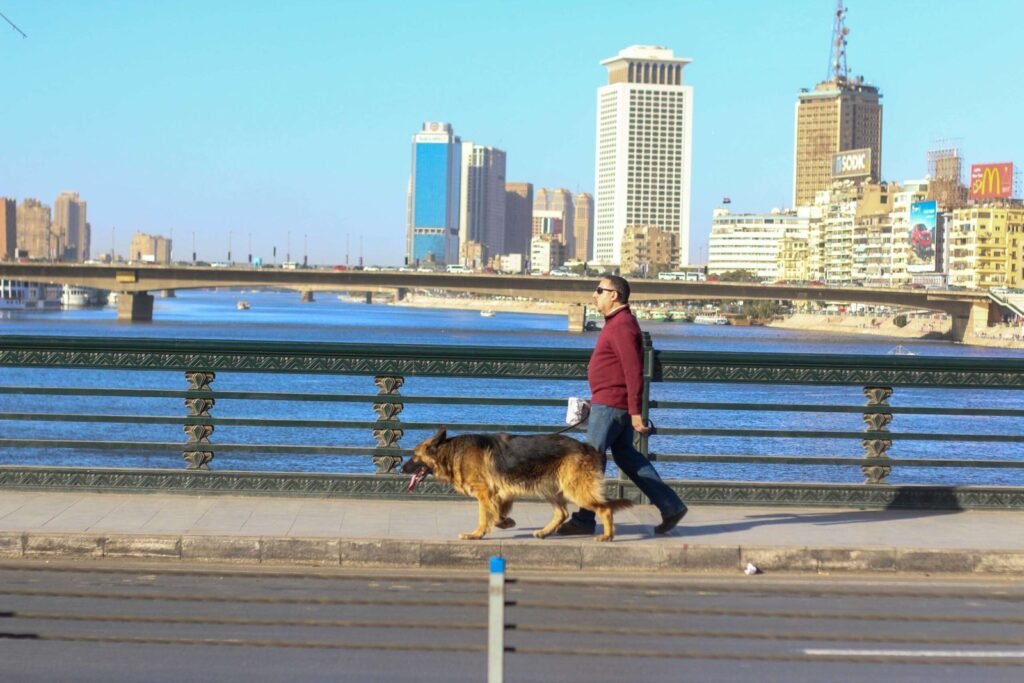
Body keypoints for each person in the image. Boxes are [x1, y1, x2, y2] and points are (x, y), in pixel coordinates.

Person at [557, 275, 688, 536]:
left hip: (611, 404)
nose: (594, 295)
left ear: (614, 295)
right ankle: (670, 505)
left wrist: (636, 413)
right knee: (626, 456)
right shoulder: (617, 323)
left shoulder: (622, 325)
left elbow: (633, 370)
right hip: (610, 401)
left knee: (590, 459)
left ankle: (584, 519)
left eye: (599, 290)